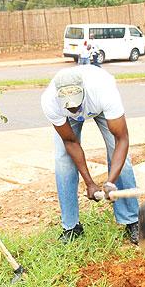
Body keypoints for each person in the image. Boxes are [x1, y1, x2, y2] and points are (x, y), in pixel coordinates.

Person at [41, 66, 139, 244]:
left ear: (84, 92)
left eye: (76, 103)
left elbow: (121, 139)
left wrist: (110, 182)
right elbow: (71, 142)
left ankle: (132, 220)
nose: (73, 109)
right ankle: (71, 227)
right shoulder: (50, 101)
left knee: (121, 160)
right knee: (63, 160)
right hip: (68, 122)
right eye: (68, 105)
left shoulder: (103, 91)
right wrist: (90, 183)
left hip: (99, 108)